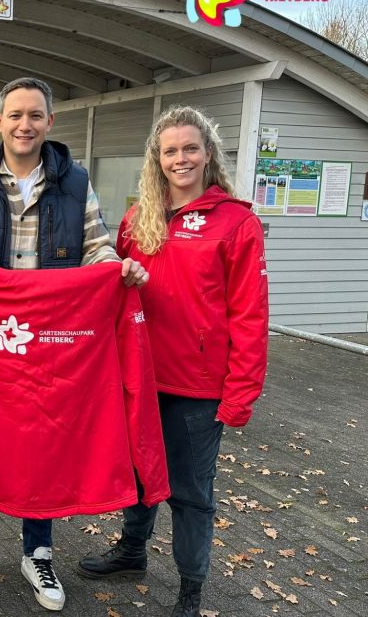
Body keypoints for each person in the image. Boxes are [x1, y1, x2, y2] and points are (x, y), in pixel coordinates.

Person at [0, 76, 149, 612]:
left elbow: (96, 244)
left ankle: (37, 549)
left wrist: (117, 271)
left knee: (44, 433)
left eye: (35, 115)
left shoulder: (74, 182)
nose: (25, 124)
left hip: (49, 334)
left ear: (49, 122)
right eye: (15, 115)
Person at [77, 106, 268, 617]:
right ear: (156, 159)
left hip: (197, 388)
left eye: (190, 148)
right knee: (138, 475)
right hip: (138, 376)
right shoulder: (138, 219)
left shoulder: (238, 222)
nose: (180, 159)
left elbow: (250, 315)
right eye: (170, 151)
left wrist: (240, 395)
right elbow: (109, 292)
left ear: (208, 153)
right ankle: (132, 551)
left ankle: (190, 587)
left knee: (189, 494)